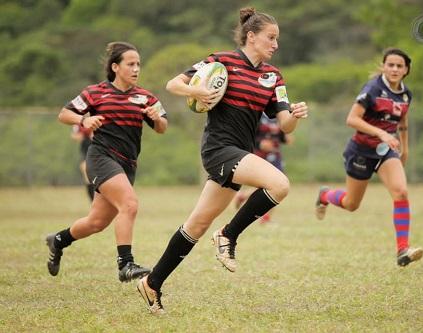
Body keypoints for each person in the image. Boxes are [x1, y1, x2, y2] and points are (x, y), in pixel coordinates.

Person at [137, 7, 309, 314]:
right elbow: (173, 84)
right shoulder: (222, 62)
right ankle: (228, 234)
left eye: (277, 39)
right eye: (271, 38)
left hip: (241, 153)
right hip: (219, 150)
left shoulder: (273, 76)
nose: (276, 44)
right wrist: (196, 90)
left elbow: (284, 124)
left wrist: (294, 116)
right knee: (279, 185)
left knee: (197, 224)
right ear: (251, 36)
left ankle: (152, 283)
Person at [45, 41, 168, 282]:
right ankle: (126, 265)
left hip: (127, 164)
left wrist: (157, 118)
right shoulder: (95, 92)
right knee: (130, 204)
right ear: (115, 67)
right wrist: (83, 121)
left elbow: (162, 127)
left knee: (96, 222)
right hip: (101, 158)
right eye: (130, 64)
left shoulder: (145, 97)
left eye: (138, 64)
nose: (136, 69)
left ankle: (57, 240)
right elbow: (64, 114)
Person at [314, 48, 423, 267]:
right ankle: (325, 195)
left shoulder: (405, 95)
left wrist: (406, 148)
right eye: (390, 64)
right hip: (361, 151)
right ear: (383, 66)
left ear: (406, 70)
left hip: (386, 152)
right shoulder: (373, 89)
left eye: (399, 66)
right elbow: (352, 119)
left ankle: (403, 250)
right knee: (352, 204)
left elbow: (402, 123)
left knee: (401, 192)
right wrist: (381, 133)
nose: (394, 69)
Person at [234, 113, 294, 223]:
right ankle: (249, 202)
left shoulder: (278, 114)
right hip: (260, 155)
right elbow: (247, 135)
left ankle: (264, 216)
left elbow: (282, 136)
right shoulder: (256, 113)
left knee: (280, 185)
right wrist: (259, 144)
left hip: (275, 156)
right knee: (268, 186)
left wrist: (286, 136)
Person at [71, 123, 94, 201]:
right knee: (86, 172)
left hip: (98, 150)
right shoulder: (79, 122)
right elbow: (74, 136)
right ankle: (93, 200)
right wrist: (84, 135)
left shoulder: (98, 117)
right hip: (86, 151)